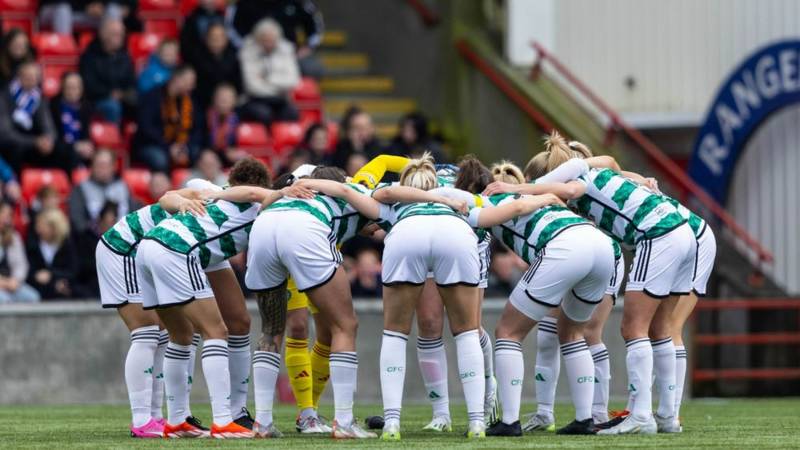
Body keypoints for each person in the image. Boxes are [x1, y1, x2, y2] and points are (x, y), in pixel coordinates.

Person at [489, 131, 696, 435]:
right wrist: (641, 179)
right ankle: (665, 415)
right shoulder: (590, 169)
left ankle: (638, 414)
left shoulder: (575, 172)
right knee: (657, 329)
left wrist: (512, 188)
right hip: (683, 230)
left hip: (656, 235)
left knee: (626, 329)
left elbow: (564, 186)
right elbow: (608, 163)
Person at [136, 158, 303, 439]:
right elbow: (251, 193)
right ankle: (224, 419)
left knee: (181, 335)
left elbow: (174, 194)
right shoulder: (260, 204)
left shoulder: (211, 188)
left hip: (149, 247)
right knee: (216, 331)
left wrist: (202, 196)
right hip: (177, 250)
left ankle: (178, 420)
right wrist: (280, 193)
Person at [229, 0, 324, 78]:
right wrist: (244, 48)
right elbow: (232, 28)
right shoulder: (243, 4)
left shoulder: (299, 3)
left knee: (312, 68)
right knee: (233, 66)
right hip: (254, 54)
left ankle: (301, 96)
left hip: (289, 54)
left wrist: (308, 47)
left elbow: (316, 26)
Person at [134, 66, 203, 172]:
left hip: (181, 144)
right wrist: (169, 147)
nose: (193, 86)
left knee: (197, 153)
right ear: (177, 79)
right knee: (160, 159)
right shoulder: (153, 97)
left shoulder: (190, 100)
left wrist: (185, 147)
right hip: (154, 144)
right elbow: (146, 128)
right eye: (190, 81)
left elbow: (197, 129)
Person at [0, 62, 60, 173]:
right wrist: (34, 142)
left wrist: (48, 140)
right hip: (13, 143)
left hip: (34, 142)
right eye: (28, 77)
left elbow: (48, 125)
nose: (32, 80)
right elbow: (5, 133)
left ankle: (48, 183)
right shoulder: (5, 96)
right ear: (19, 77)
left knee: (58, 150)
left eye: (35, 77)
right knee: (16, 149)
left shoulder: (39, 98)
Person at [239, 18, 300, 125]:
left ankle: (283, 141)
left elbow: (293, 81)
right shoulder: (247, 51)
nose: (268, 43)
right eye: (265, 40)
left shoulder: (286, 50)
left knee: (292, 113)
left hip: (281, 99)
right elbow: (251, 86)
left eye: (272, 40)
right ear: (258, 39)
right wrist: (279, 86)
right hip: (255, 99)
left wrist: (268, 79)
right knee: (264, 114)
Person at [79, 18, 136, 124]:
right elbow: (89, 85)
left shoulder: (124, 56)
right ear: (104, 35)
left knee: (145, 102)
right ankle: (113, 138)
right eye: (116, 34)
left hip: (122, 97)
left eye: (121, 34)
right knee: (112, 107)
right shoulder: (90, 56)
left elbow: (131, 81)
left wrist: (123, 94)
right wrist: (110, 93)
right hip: (97, 99)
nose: (121, 38)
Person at [69, 149, 135, 235]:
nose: (103, 169)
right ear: (92, 166)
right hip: (91, 241)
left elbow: (133, 216)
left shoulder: (123, 187)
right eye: (99, 165)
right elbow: (78, 222)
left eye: (106, 165)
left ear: (114, 167)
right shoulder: (81, 189)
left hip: (123, 240)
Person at [26, 208, 79, 300]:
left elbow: (73, 271)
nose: (38, 229)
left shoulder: (67, 245)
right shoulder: (32, 245)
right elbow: (29, 272)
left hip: (64, 288)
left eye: (42, 225)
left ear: (54, 227)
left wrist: (52, 275)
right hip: (39, 289)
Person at [49, 72, 95, 170]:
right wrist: (75, 146)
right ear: (62, 88)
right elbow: (53, 138)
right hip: (59, 152)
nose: (72, 91)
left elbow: (87, 135)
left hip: (81, 151)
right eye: (69, 87)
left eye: (76, 87)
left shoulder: (86, 107)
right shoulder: (53, 106)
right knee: (73, 155)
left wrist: (88, 147)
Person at [191, 23, 242, 109]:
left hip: (230, 102)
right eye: (213, 37)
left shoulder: (234, 56)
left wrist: (228, 96)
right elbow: (197, 87)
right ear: (206, 39)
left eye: (220, 37)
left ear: (226, 39)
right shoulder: (197, 57)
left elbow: (238, 85)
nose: (216, 40)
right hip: (204, 103)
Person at [0, 201, 40, 303]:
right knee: (3, 300)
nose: (6, 219)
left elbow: (21, 265)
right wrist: (3, 283)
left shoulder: (14, 237)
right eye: (3, 214)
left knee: (33, 297)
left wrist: (15, 280)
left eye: (9, 215)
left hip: (11, 283)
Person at [205, 83, 247, 166]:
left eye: (227, 98)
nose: (224, 101)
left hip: (228, 162)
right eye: (221, 98)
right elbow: (201, 147)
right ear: (214, 100)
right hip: (207, 161)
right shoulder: (205, 118)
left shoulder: (237, 119)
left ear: (234, 101)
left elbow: (235, 148)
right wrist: (225, 153)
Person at [180, 0, 224, 69]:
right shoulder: (191, 17)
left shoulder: (221, 15)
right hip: (199, 62)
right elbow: (186, 45)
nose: (209, 1)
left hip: (220, 60)